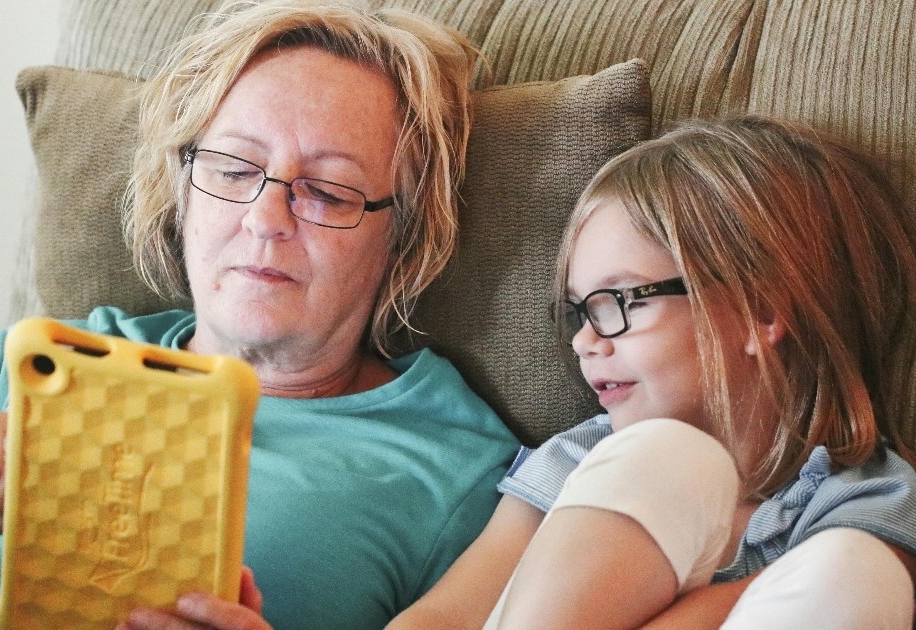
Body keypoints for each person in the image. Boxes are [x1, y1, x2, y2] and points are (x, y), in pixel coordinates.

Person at [0, 1, 519, 628]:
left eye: (328, 190)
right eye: (234, 168)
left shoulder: (457, 465)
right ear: (180, 190)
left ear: (403, 234)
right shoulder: (41, 363)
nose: (266, 217)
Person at [384, 116, 916, 629]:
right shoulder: (579, 459)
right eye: (580, 310)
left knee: (855, 571)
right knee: (669, 459)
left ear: (761, 313)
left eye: (619, 300)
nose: (583, 340)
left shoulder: (873, 499)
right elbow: (443, 617)